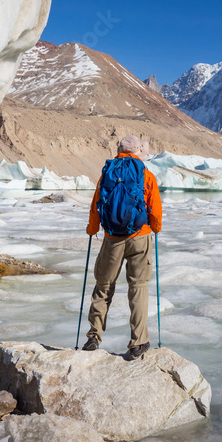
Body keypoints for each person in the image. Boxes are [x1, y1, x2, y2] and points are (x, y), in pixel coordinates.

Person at [83, 135, 162, 359]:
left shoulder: (108, 173)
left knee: (103, 286)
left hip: (112, 238)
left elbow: (96, 204)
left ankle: (93, 336)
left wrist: (92, 230)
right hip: (141, 236)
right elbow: (155, 209)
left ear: (119, 150)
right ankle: (139, 342)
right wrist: (155, 228)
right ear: (138, 152)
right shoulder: (146, 175)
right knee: (138, 287)